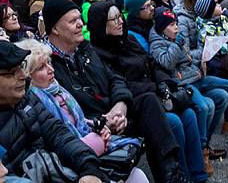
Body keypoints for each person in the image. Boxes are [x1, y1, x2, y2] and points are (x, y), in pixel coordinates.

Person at [44, 0, 183, 183]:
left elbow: (115, 79)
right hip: (91, 127)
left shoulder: (85, 49)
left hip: (115, 113)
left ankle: (171, 176)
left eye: (79, 18)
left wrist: (120, 107)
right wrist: (104, 121)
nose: (80, 24)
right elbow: (67, 108)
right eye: (72, 21)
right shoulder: (46, 64)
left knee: (150, 101)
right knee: (169, 118)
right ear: (54, 29)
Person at [88, 0, 208, 182]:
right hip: (135, 105)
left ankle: (198, 175)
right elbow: (120, 84)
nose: (121, 21)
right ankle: (176, 175)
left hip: (155, 94)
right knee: (174, 121)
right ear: (101, 24)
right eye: (114, 19)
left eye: (120, 16)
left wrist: (162, 84)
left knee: (190, 114)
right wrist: (155, 89)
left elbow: (152, 64)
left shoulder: (128, 39)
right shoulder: (99, 53)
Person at [19, 38, 149, 183]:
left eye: (49, 62)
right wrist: (98, 140)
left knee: (138, 175)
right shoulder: (35, 103)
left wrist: (99, 127)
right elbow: (59, 143)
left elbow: (80, 121)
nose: (51, 69)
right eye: (41, 67)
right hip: (71, 166)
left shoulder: (58, 89)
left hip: (88, 149)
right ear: (27, 76)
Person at [0, 41, 106, 183]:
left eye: (21, 66)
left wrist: (88, 167)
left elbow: (58, 134)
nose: (22, 75)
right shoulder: (35, 94)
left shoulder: (26, 98)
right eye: (11, 72)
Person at [149, 6, 228, 148]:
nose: (176, 28)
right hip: (183, 82)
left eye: (176, 24)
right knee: (205, 106)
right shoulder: (157, 44)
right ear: (162, 28)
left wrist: (201, 60)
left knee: (226, 89)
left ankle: (218, 131)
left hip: (195, 75)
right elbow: (167, 63)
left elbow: (187, 57)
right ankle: (202, 147)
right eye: (172, 25)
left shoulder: (173, 38)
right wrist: (176, 45)